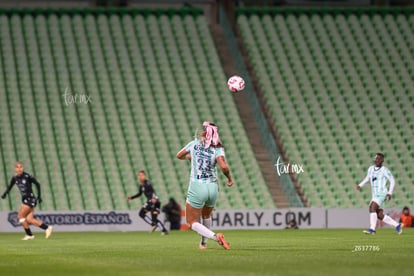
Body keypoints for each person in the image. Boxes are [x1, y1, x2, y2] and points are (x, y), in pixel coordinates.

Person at [176, 121, 233, 250]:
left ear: (204, 133)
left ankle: (215, 237)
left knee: (191, 222)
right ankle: (203, 244)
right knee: (206, 215)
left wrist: (191, 158)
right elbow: (223, 166)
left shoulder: (194, 144)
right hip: (213, 187)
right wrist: (229, 178)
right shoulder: (217, 148)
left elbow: (179, 155)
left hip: (197, 186)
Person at [1, 162, 53, 240]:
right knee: (29, 219)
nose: (19, 169)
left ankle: (29, 235)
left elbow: (37, 184)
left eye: (21, 167)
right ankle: (47, 228)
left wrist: (39, 196)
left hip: (30, 199)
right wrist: (5, 193)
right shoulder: (15, 177)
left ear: (23, 168)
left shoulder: (28, 176)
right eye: (17, 167)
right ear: (15, 169)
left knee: (20, 216)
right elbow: (10, 186)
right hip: (25, 200)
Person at [356, 153, 402, 235]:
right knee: (379, 215)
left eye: (379, 158)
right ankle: (397, 225)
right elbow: (367, 178)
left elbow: (392, 180)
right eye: (376, 158)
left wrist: (389, 193)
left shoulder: (385, 170)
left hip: (382, 193)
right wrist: (360, 185)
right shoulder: (370, 169)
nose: (377, 160)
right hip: (374, 194)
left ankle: (372, 229)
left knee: (372, 207)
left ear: (382, 160)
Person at [127, 170, 168, 235]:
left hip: (154, 201)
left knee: (141, 213)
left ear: (144, 176)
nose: (140, 177)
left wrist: (154, 198)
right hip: (152, 201)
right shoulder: (141, 186)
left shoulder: (147, 183)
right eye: (139, 175)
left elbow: (153, 191)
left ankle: (153, 224)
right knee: (153, 218)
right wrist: (131, 197)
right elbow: (139, 194)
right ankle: (164, 230)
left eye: (142, 175)